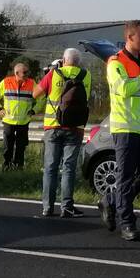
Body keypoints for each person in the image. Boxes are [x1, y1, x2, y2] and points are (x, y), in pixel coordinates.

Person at [99, 20, 140, 241]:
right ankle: (127, 223)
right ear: (130, 38)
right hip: (125, 128)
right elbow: (122, 89)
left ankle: (112, 201)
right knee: (124, 177)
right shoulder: (116, 62)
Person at [32, 48, 91, 218]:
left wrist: (51, 71)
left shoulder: (54, 73)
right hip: (76, 127)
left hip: (53, 126)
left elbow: (36, 94)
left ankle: (47, 207)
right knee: (69, 168)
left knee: (50, 168)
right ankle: (67, 206)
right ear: (78, 62)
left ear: (63, 60)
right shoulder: (86, 75)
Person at [0, 61, 39, 170]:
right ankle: (6, 166)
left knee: (21, 147)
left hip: (24, 121)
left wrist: (34, 110)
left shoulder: (32, 83)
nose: (27, 74)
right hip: (8, 120)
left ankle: (19, 167)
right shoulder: (6, 82)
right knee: (8, 146)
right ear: (17, 73)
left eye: (27, 72)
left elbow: (42, 98)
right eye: (25, 72)